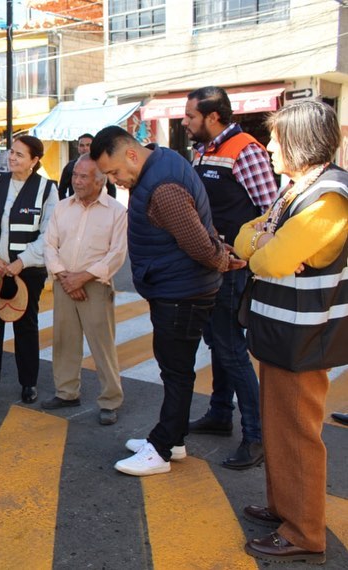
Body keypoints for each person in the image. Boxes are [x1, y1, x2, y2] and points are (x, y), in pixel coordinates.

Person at [89, 126, 246, 477]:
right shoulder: (163, 161)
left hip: (182, 291)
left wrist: (222, 260)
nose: (115, 181)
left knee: (175, 372)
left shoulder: (162, 188)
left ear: (131, 154)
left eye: (114, 172)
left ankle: (161, 449)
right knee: (176, 369)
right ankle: (172, 440)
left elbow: (198, 244)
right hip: (180, 287)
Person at [235, 101, 347, 565]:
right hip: (282, 331)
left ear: (300, 142)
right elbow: (245, 237)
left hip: (305, 337)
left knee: (298, 433)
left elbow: (271, 260)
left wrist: (264, 246)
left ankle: (304, 532)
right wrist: (264, 243)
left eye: (277, 140)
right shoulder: (297, 190)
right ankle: (285, 508)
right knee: (279, 426)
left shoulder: (329, 198)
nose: (269, 147)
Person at [183, 86, 279, 470]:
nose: (186, 122)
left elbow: (272, 212)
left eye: (191, 117)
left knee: (230, 349)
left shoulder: (245, 150)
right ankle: (221, 414)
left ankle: (256, 436)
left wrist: (244, 252)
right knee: (219, 343)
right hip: (208, 265)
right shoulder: (205, 150)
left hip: (232, 269)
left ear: (213, 117)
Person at [0, 135, 57, 404]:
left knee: (26, 326)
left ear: (34, 160)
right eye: (11, 152)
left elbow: (49, 234)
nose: (12, 158)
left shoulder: (46, 190)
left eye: (20, 155)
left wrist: (21, 262)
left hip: (27, 272)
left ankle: (28, 383)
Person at [42, 155, 127, 425]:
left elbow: (116, 254)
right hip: (64, 281)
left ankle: (110, 400)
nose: (76, 181)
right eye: (75, 175)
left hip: (96, 286)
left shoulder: (116, 211)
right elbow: (49, 245)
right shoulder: (62, 207)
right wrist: (65, 277)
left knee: (102, 345)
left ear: (100, 180)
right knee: (64, 341)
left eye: (83, 177)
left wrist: (82, 278)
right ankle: (67, 392)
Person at [58, 133, 116, 200]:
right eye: (81, 145)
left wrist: (109, 206)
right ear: (78, 148)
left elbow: (111, 189)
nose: (85, 148)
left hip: (97, 206)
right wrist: (66, 206)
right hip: (76, 206)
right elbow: (61, 190)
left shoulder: (102, 165)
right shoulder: (70, 166)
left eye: (88, 145)